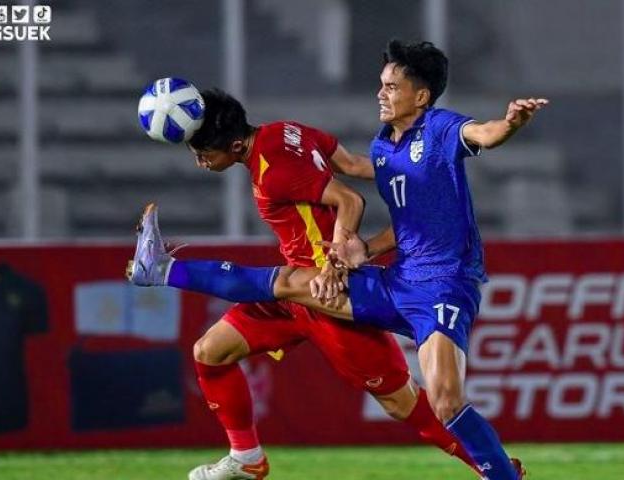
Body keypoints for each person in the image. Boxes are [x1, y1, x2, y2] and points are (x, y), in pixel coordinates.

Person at [130, 40, 546, 479]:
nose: (380, 93)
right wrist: (370, 240)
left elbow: (356, 195)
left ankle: (497, 470)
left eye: (203, 153)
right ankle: (247, 457)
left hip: (345, 289)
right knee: (211, 351)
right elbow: (359, 168)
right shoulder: (349, 140)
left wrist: (508, 124)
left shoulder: (434, 128)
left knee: (411, 402)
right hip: (354, 282)